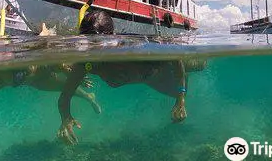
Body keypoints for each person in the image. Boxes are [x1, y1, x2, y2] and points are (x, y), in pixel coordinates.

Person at [55, 9, 205, 145]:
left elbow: (175, 57)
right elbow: (64, 97)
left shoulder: (132, 47)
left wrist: (181, 97)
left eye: (98, 43)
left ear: (112, 37)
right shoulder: (86, 62)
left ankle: (192, 70)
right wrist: (65, 118)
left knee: (197, 66)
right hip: (148, 78)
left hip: (159, 72)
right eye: (88, 42)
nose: (93, 49)